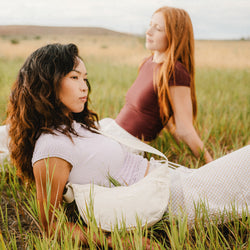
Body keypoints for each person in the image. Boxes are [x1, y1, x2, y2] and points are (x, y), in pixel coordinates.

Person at [4, 43, 249, 246]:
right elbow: (51, 226)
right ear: (48, 83)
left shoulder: (73, 125)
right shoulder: (50, 148)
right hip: (168, 201)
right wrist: (117, 241)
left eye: (85, 78)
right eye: (74, 77)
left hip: (173, 180)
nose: (84, 87)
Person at [100, 6, 213, 163]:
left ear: (175, 35)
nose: (148, 32)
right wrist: (175, 143)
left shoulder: (175, 71)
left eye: (158, 28)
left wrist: (210, 163)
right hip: (113, 132)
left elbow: (185, 129)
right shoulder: (147, 62)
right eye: (150, 25)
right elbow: (161, 112)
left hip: (126, 146)